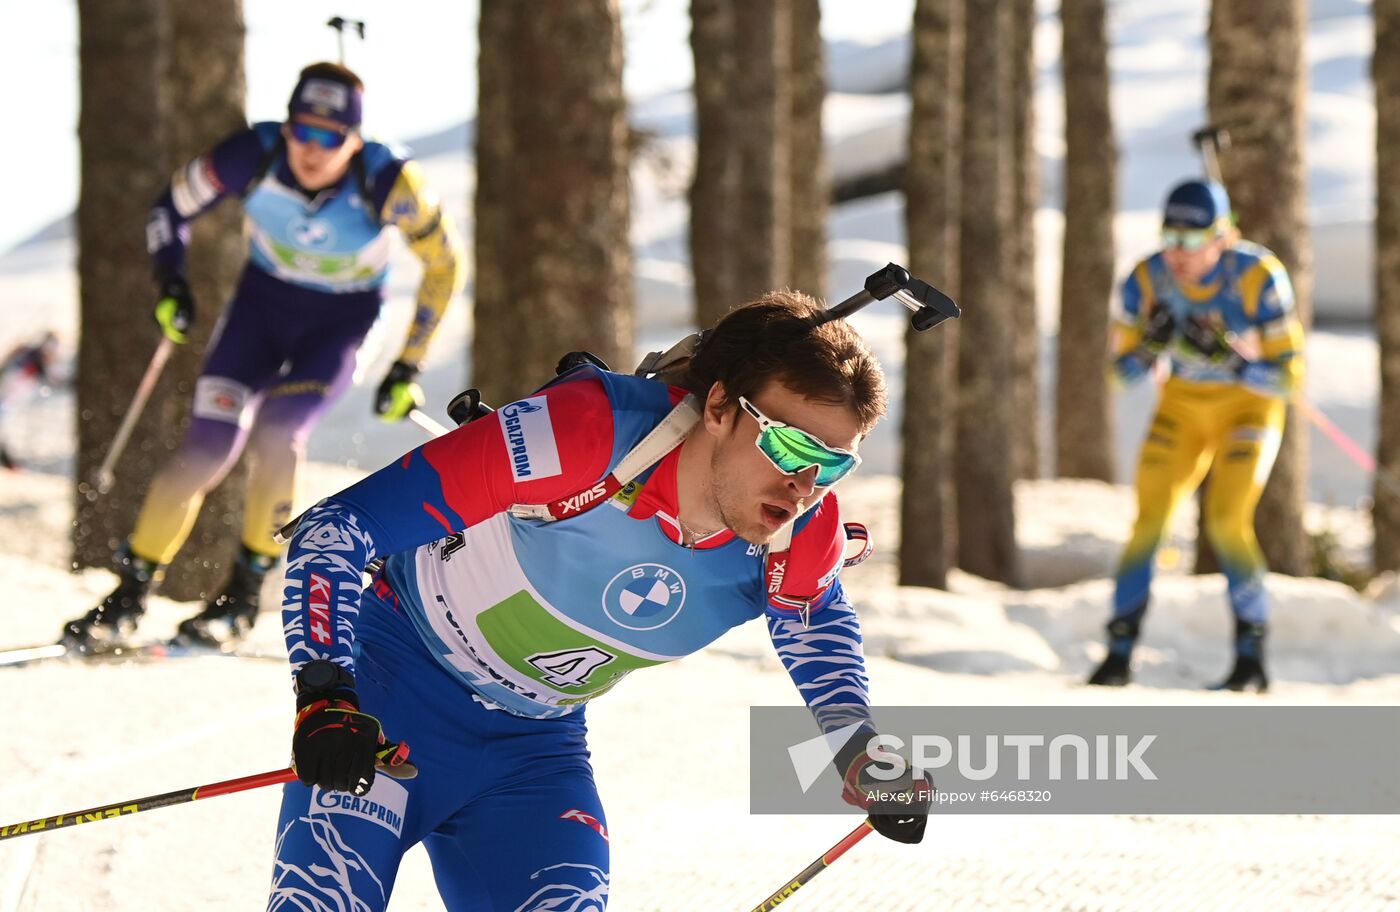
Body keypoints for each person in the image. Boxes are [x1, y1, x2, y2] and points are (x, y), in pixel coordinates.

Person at [266, 292, 931, 911]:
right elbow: (338, 530)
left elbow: (813, 621)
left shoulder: (802, 525)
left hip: (531, 752)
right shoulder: (585, 434)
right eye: (789, 445)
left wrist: (858, 748)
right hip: (392, 699)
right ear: (722, 407)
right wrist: (325, 693)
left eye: (835, 465)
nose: (804, 484)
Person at [62, 62, 465, 651]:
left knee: (277, 433)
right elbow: (168, 208)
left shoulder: (390, 180)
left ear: (354, 137)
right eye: (302, 130)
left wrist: (410, 361)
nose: (311, 147)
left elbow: (444, 264)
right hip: (259, 315)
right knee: (206, 447)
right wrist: (171, 281)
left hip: (339, 327)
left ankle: (242, 596)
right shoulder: (251, 153)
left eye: (330, 136)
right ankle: (128, 592)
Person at [1087, 179, 1305, 692]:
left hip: (1247, 412)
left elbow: (1290, 376)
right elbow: (1119, 377)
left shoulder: (1257, 276)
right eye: (1170, 237)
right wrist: (1149, 347)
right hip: (1182, 409)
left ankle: (1250, 658)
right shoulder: (1146, 279)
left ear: (1222, 236)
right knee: (1150, 523)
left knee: (1228, 523)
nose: (1178, 253)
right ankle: (1118, 654)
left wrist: (1231, 357)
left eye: (1192, 240)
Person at [0, 331, 60, 470]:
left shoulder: (32, 359)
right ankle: (8, 461)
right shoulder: (32, 359)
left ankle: (9, 462)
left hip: (8, 403)